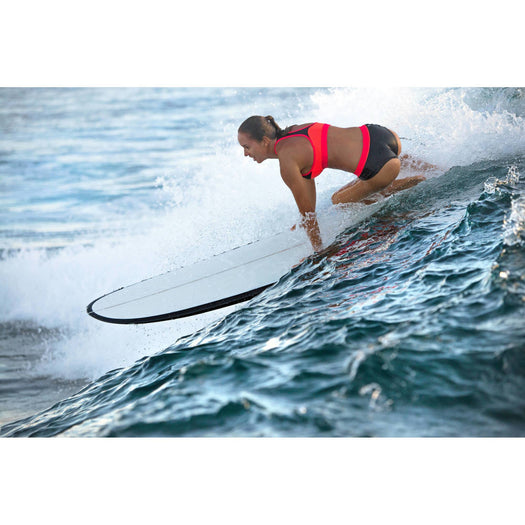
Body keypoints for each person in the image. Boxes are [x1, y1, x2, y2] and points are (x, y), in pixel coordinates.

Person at [238, 115, 427, 251]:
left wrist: (318, 251)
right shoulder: (294, 132)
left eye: (247, 147)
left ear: (264, 141)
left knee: (339, 200)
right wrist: (304, 219)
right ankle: (416, 164)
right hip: (381, 135)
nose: (246, 153)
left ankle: (415, 181)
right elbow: (308, 194)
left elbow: (308, 216)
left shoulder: (287, 162)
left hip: (379, 166)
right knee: (339, 195)